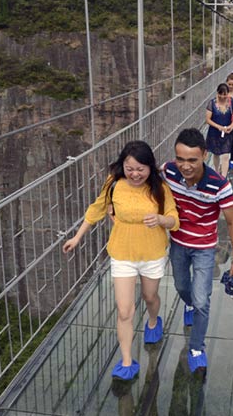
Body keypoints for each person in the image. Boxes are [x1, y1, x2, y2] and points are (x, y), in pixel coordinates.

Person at [63, 141, 179, 381]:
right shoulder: (114, 184)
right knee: (125, 310)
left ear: (150, 167)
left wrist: (160, 220)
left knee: (150, 297)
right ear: (122, 166)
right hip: (122, 252)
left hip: (152, 251)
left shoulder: (160, 188)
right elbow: (97, 208)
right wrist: (77, 236)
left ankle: (153, 321)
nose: (135, 174)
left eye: (141, 169)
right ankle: (127, 360)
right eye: (130, 168)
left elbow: (173, 218)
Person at [163, 128, 233, 374]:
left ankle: (196, 347)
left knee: (202, 299)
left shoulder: (219, 185)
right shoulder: (168, 171)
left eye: (192, 160)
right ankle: (189, 304)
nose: (185, 166)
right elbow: (142, 176)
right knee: (181, 287)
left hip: (204, 248)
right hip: (178, 241)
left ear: (205, 155)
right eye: (180, 159)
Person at [205, 83, 233, 177]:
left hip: (227, 132)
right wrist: (218, 127)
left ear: (228, 94)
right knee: (216, 154)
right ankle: (216, 171)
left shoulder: (232, 102)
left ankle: (223, 177)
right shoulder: (212, 103)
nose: (223, 96)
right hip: (214, 133)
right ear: (217, 93)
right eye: (221, 94)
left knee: (225, 155)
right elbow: (208, 119)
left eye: (225, 94)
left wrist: (231, 126)